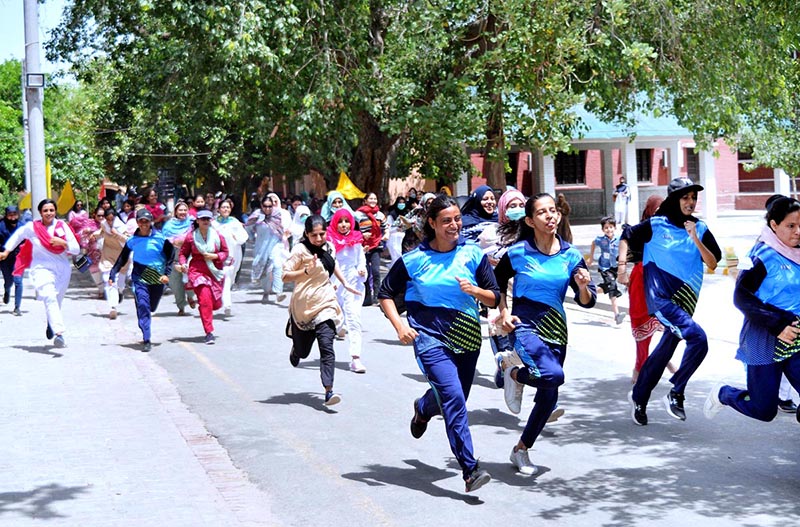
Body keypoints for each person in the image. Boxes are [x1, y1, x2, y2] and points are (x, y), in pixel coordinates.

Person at [378, 195, 499, 493]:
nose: (454, 225)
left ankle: (423, 407)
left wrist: (475, 291)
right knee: (454, 398)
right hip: (429, 339)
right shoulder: (414, 260)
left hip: (467, 337)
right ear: (431, 223)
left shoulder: (473, 254)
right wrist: (400, 326)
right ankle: (470, 470)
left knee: (453, 399)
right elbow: (385, 293)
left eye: (457, 219)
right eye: (446, 221)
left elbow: (494, 297)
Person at [494, 193, 596, 475]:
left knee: (548, 398)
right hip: (525, 326)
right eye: (542, 212)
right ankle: (513, 372)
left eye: (553, 211)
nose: (550, 216)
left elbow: (586, 301)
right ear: (530, 221)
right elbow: (496, 284)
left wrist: (583, 287)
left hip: (557, 330)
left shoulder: (571, 255)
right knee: (553, 376)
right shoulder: (518, 253)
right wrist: (504, 312)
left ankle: (521, 450)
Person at [619, 177, 721, 425]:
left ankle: (639, 397)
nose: (690, 202)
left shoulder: (700, 228)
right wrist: (622, 267)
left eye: (693, 197)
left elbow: (713, 263)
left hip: (686, 300)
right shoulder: (656, 224)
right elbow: (627, 235)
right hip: (661, 299)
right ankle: (676, 391)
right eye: (685, 197)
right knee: (699, 339)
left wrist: (695, 238)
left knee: (664, 351)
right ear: (674, 199)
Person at [704, 195, 800, 422]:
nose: (798, 232)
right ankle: (724, 394)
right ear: (774, 225)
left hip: (796, 336)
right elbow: (741, 297)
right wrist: (777, 324)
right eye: (791, 226)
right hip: (765, 336)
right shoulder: (761, 257)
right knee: (764, 410)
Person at [283, 215, 361, 406]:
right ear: (306, 234)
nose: (319, 239)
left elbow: (333, 265)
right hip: (304, 305)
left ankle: (328, 390)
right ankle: (296, 346)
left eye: (322, 234)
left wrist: (345, 283)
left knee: (327, 346)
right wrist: (305, 271)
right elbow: (285, 275)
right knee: (303, 352)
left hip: (326, 302)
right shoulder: (300, 250)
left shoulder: (329, 247)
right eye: (314, 235)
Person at [0, 199, 80, 348]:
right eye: (45, 210)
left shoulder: (62, 226)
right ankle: (59, 333)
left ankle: (52, 322)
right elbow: (17, 236)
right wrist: (6, 251)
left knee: (57, 300)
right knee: (49, 297)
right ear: (40, 212)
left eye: (51, 210)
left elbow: (76, 249)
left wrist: (63, 243)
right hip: (41, 268)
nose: (49, 213)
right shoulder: (32, 227)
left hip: (62, 269)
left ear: (55, 211)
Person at [625, 195, 676, 383]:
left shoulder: (670, 229)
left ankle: (663, 360)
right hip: (641, 280)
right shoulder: (641, 230)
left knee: (668, 327)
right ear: (649, 210)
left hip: (662, 281)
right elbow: (626, 244)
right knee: (642, 325)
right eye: (657, 209)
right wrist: (621, 270)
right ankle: (639, 367)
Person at [109, 209, 174, 352]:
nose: (144, 224)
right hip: (140, 276)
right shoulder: (132, 240)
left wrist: (166, 273)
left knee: (151, 307)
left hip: (157, 276)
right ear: (137, 222)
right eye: (141, 221)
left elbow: (171, 255)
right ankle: (146, 338)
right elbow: (122, 258)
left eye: (147, 221)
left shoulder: (160, 239)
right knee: (143, 305)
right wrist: (113, 273)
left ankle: (145, 318)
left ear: (151, 222)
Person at [178, 210, 228, 344]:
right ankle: (209, 332)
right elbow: (183, 254)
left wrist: (215, 256)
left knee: (215, 304)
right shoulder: (191, 237)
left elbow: (225, 252)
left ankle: (210, 308)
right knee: (205, 300)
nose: (205, 221)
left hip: (215, 271)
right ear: (197, 221)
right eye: (203, 219)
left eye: (208, 219)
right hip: (197, 271)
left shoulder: (218, 236)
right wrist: (183, 264)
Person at [326, 208, 367, 373]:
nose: (344, 225)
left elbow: (361, 260)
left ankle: (356, 358)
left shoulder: (356, 240)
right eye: (340, 222)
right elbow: (327, 263)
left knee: (354, 319)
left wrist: (362, 270)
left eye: (347, 221)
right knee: (334, 319)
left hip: (353, 284)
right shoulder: (329, 241)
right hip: (334, 284)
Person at [246, 195, 287, 304]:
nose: (267, 209)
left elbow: (281, 229)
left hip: (275, 244)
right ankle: (266, 291)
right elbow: (248, 227)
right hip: (261, 246)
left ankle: (278, 292)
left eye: (270, 206)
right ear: (261, 206)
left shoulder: (277, 215)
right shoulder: (256, 216)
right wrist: (251, 238)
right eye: (265, 206)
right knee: (265, 270)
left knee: (277, 265)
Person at [212, 199, 249, 316]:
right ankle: (227, 303)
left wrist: (236, 238)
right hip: (220, 255)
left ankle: (224, 295)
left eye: (227, 207)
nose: (225, 209)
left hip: (234, 253)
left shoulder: (234, 222)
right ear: (218, 209)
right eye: (223, 207)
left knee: (231, 277)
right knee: (226, 276)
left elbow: (244, 237)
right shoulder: (214, 224)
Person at [587, 216, 625, 325]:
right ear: (603, 229)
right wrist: (591, 257)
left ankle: (589, 291)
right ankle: (617, 315)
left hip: (615, 267)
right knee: (612, 286)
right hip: (605, 267)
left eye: (611, 227)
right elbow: (593, 243)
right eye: (606, 228)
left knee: (607, 286)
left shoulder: (619, 239)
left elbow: (625, 247)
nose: (609, 229)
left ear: (615, 228)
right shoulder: (601, 239)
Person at [162, 201, 196, 315]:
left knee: (191, 277)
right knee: (176, 283)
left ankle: (190, 296)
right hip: (173, 256)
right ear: (176, 212)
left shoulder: (192, 223)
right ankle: (181, 306)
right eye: (180, 210)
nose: (183, 212)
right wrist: (174, 241)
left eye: (185, 210)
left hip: (189, 255)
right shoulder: (168, 225)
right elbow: (164, 240)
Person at [355, 192, 388, 307]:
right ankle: (367, 297)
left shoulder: (380, 215)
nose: (373, 201)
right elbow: (353, 231)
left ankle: (377, 296)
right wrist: (362, 235)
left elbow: (386, 227)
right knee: (365, 272)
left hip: (376, 246)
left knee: (376, 271)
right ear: (365, 201)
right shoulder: (357, 215)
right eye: (371, 198)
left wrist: (386, 234)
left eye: (375, 198)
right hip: (362, 247)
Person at [97, 207, 130, 320]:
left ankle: (120, 292)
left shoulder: (122, 227)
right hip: (108, 257)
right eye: (108, 219)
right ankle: (113, 307)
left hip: (122, 258)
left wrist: (117, 234)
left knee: (120, 284)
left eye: (112, 219)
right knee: (109, 280)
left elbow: (128, 241)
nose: (110, 222)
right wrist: (92, 235)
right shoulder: (103, 225)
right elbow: (100, 233)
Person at [0, 206, 23, 315]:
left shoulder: (22, 227)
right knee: (8, 281)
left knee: (18, 281)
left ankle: (17, 307)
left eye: (15, 214)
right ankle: (7, 291)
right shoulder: (1, 227)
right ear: (6, 215)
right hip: (4, 258)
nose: (13, 217)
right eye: (10, 215)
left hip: (18, 257)